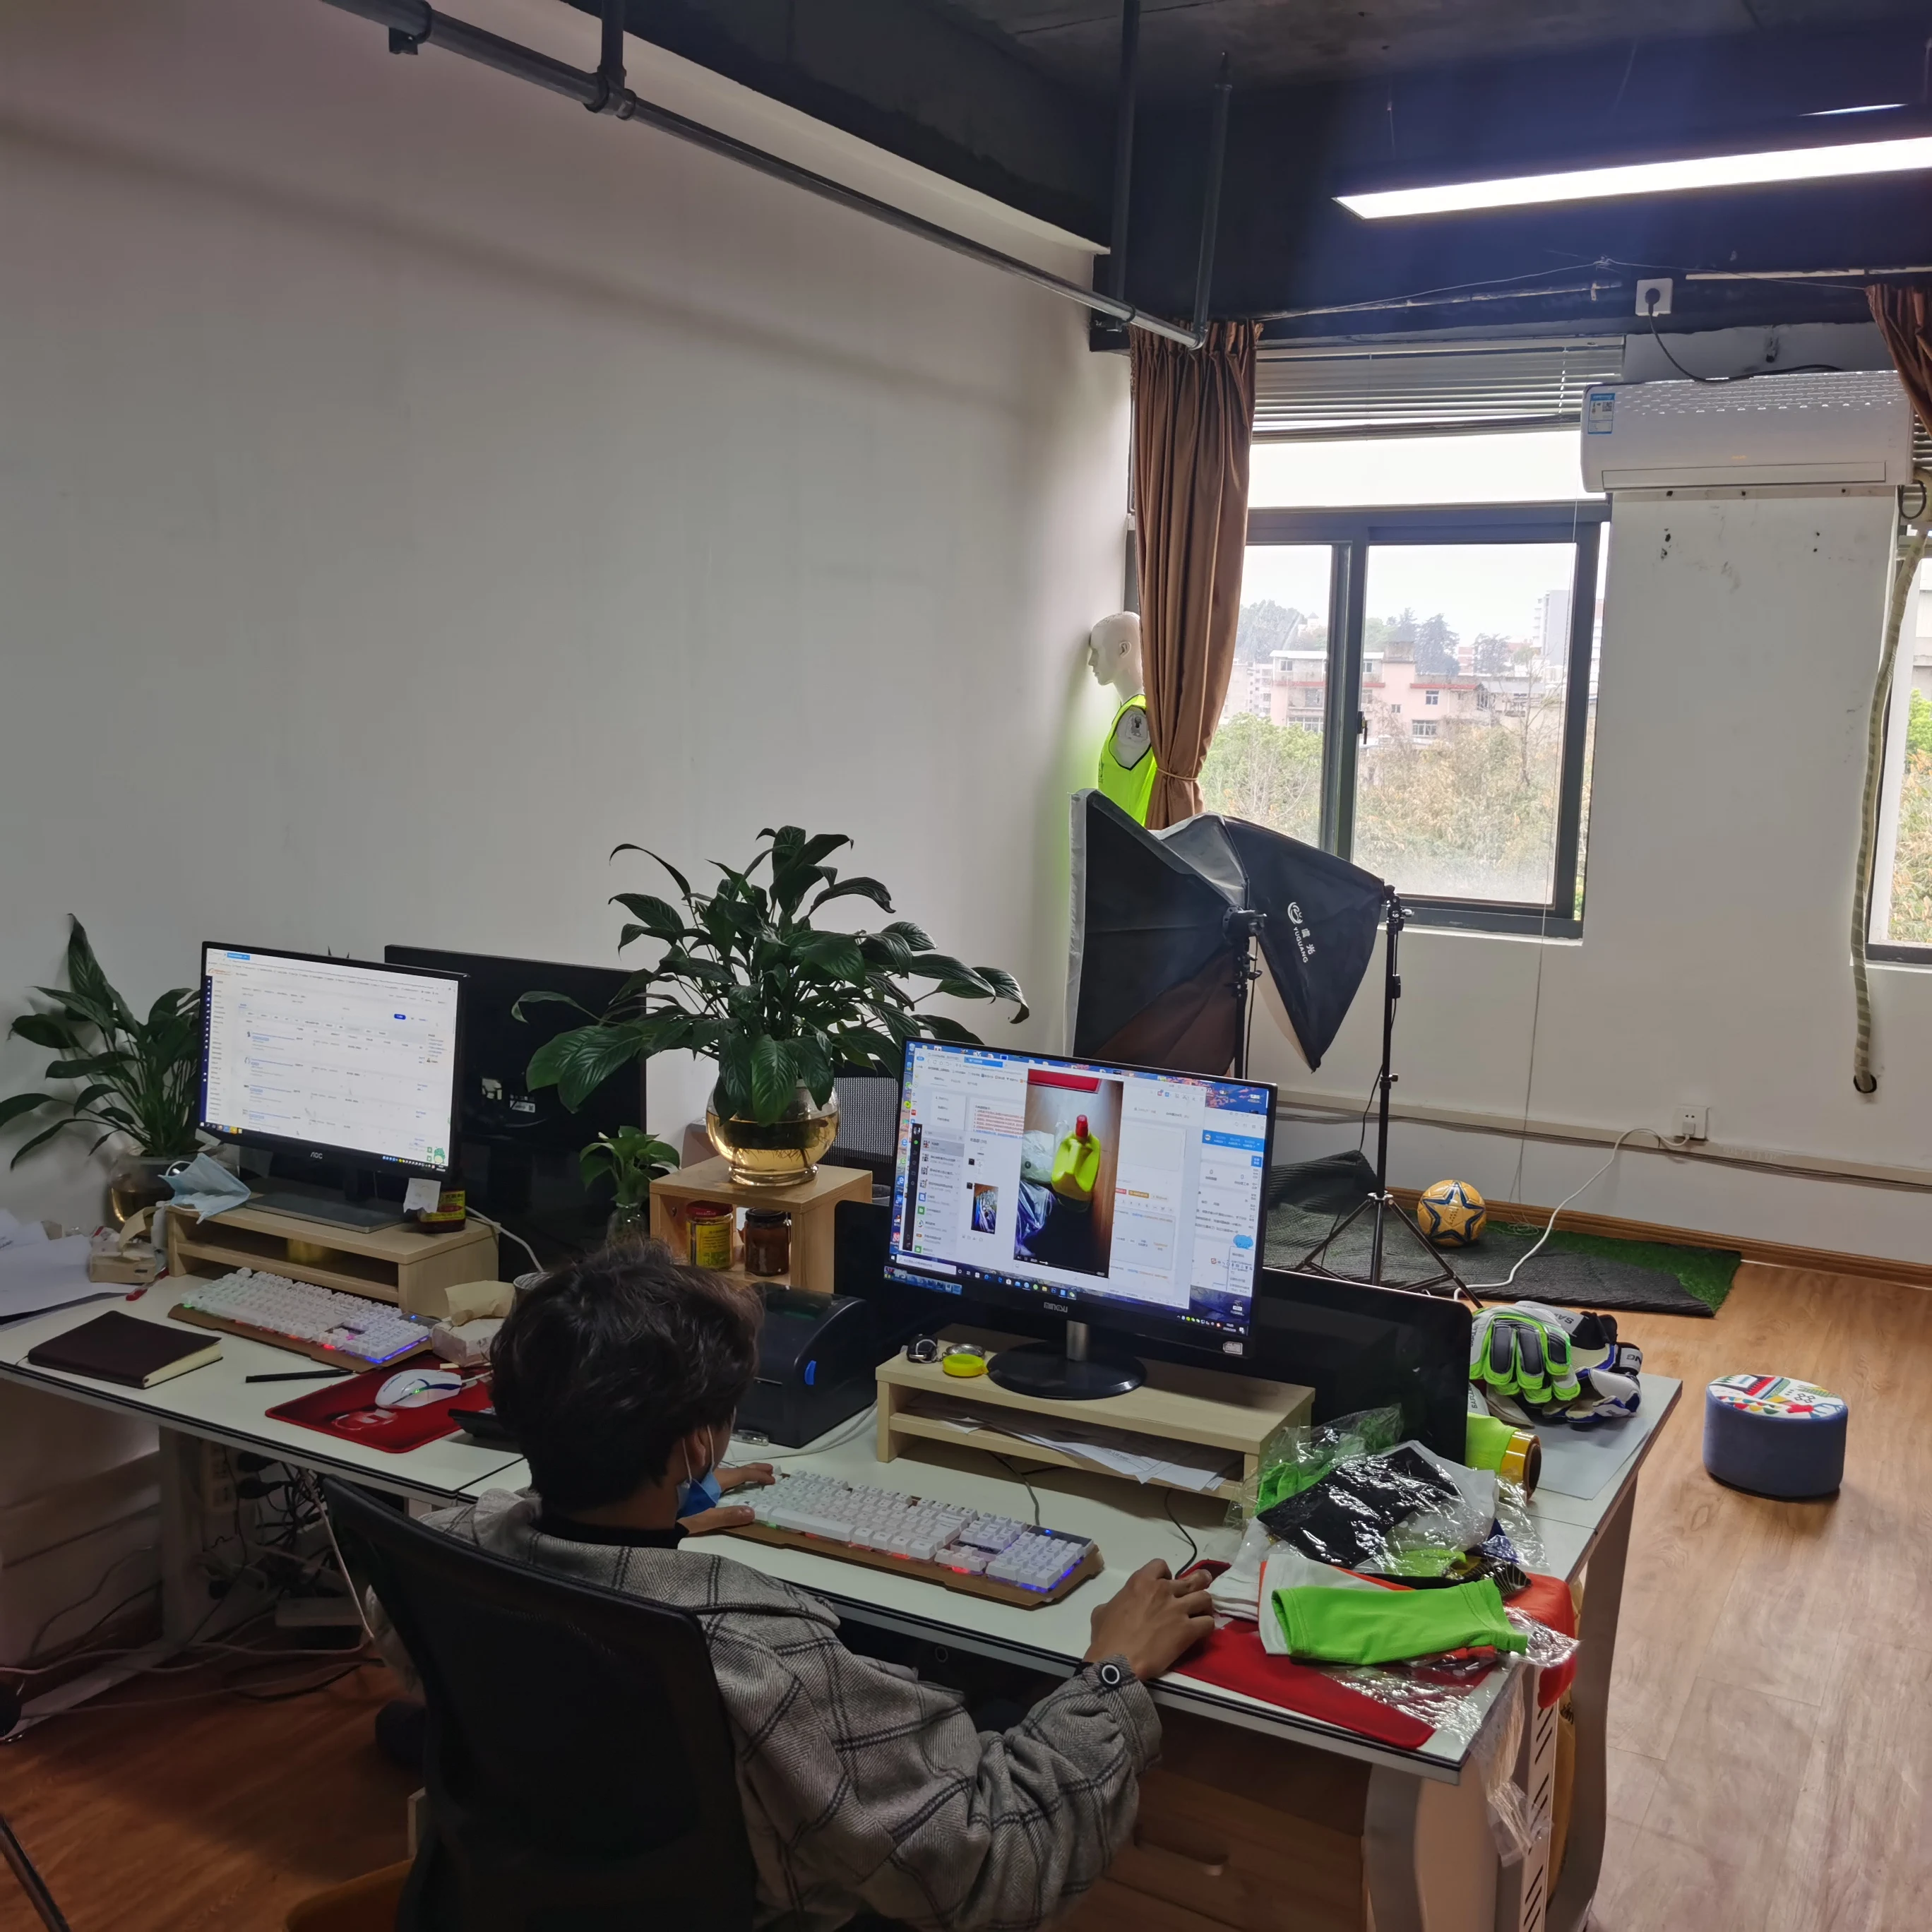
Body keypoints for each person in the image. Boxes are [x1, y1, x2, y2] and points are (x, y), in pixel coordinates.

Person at [405, 1243, 1212, 1932]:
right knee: (1003, 1713)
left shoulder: (444, 1553)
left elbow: (524, 1542)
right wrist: (1111, 1675)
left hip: (530, 1900)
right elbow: (996, 1866)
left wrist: (660, 1511)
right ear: (697, 1447)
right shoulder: (764, 1659)